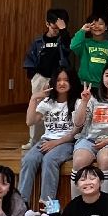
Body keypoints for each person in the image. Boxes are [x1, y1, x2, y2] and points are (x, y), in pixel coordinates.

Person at [19, 66, 86, 209]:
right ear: (53, 82)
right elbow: (30, 121)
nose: (62, 83)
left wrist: (56, 143)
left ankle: (50, 209)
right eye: (59, 80)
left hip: (67, 142)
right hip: (46, 140)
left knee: (49, 160)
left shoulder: (78, 102)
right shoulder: (47, 102)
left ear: (72, 82)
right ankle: (21, 203)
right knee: (28, 159)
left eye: (66, 80)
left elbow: (76, 132)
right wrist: (34, 98)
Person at [71, 63, 108, 194]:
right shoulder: (92, 99)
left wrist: (107, 141)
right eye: (107, 75)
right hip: (89, 140)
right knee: (79, 160)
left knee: (105, 159)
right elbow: (78, 123)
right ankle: (76, 202)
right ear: (102, 78)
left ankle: (105, 201)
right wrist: (84, 102)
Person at [21, 8, 70, 149]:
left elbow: (68, 48)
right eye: (54, 27)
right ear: (47, 24)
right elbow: (30, 58)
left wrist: (63, 30)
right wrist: (34, 75)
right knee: (37, 107)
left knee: (58, 107)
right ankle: (34, 140)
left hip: (58, 78)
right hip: (41, 77)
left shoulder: (63, 38)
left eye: (59, 28)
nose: (56, 31)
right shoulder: (38, 41)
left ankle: (57, 136)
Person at [70, 11, 108, 90]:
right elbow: (73, 46)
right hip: (84, 84)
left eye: (100, 24)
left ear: (106, 27)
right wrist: (82, 30)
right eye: (93, 24)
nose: (97, 26)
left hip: (102, 85)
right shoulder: (84, 43)